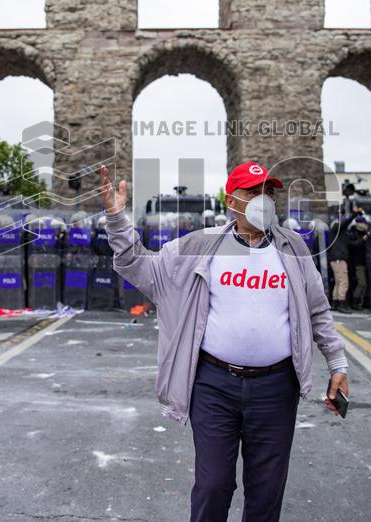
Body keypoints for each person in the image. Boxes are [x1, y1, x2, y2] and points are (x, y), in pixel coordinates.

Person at [100, 161, 348, 522]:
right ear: (231, 201)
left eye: (269, 192)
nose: (264, 199)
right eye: (253, 192)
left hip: (277, 387)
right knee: (213, 484)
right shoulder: (200, 245)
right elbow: (137, 265)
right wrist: (117, 219)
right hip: (214, 386)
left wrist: (337, 363)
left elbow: (317, 309)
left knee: (267, 491)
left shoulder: (292, 247)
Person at [328, 205, 361, 313]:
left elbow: (351, 244)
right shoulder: (336, 227)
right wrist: (354, 214)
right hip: (339, 259)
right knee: (343, 282)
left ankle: (335, 303)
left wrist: (363, 240)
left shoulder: (340, 234)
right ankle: (341, 304)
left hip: (336, 258)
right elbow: (344, 223)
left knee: (338, 282)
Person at [347, 216, 368, 310]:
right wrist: (363, 240)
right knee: (362, 283)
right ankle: (355, 300)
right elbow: (353, 245)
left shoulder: (364, 233)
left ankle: (360, 301)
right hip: (357, 263)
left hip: (363, 262)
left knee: (363, 284)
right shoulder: (352, 234)